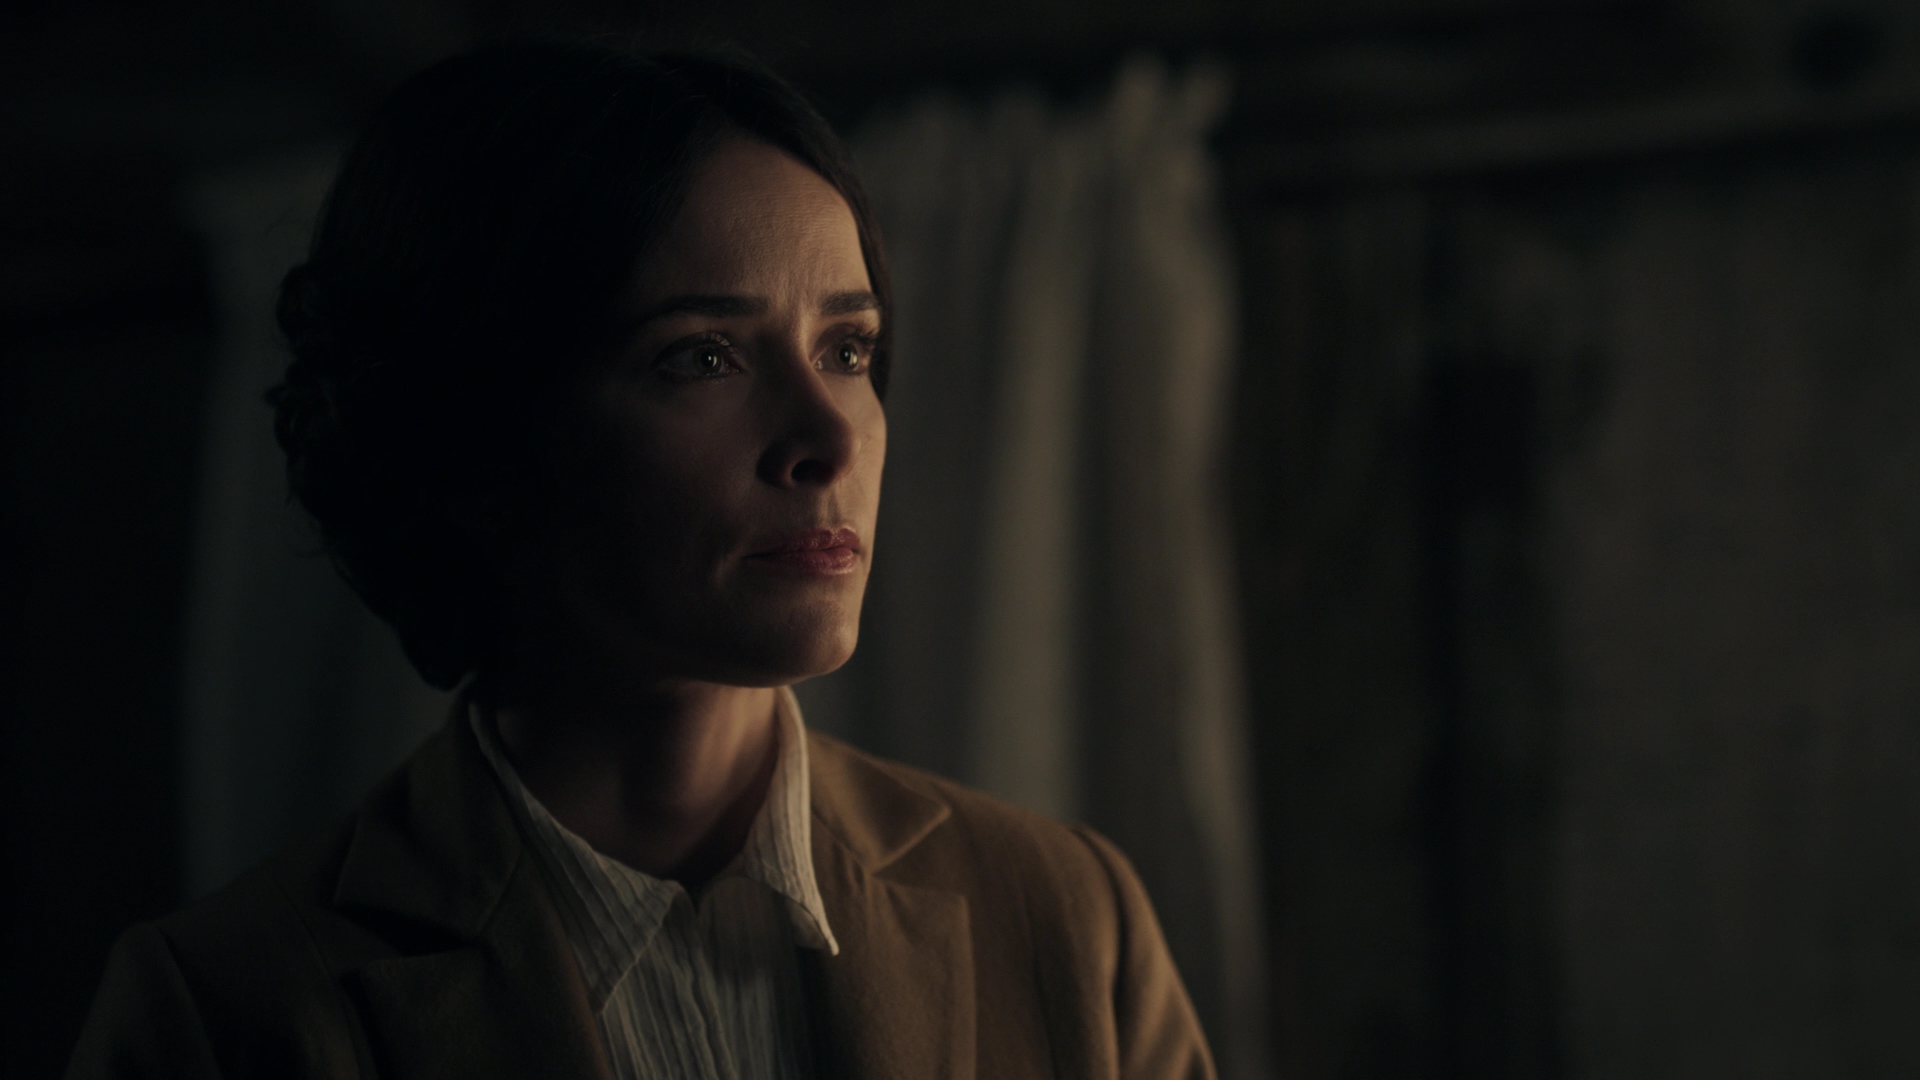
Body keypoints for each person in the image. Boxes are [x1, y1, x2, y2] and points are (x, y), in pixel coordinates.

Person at [67, 42, 1214, 1080]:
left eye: (849, 348)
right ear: (479, 436)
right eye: (704, 356)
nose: (828, 437)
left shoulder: (1065, 918)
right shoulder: (226, 1012)